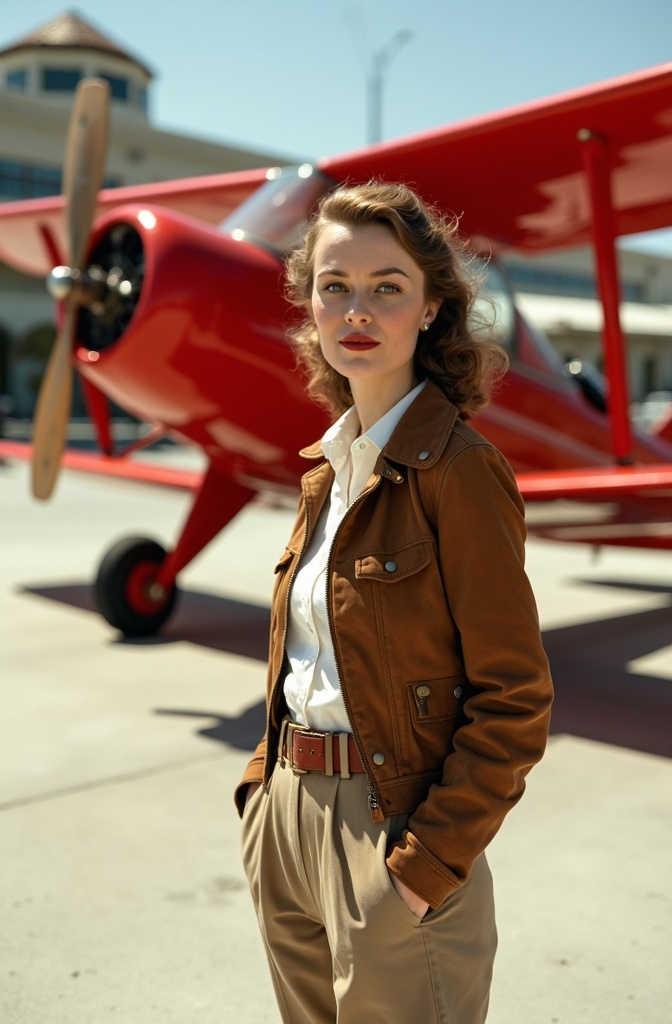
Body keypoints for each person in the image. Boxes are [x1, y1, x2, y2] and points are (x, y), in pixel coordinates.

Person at [235, 180, 553, 1024]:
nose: (357, 309)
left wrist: (420, 870)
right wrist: (260, 800)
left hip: (393, 832)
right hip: (288, 826)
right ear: (309, 305)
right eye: (335, 285)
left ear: (431, 311)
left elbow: (515, 700)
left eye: (387, 287)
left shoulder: (459, 470)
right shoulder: (325, 474)